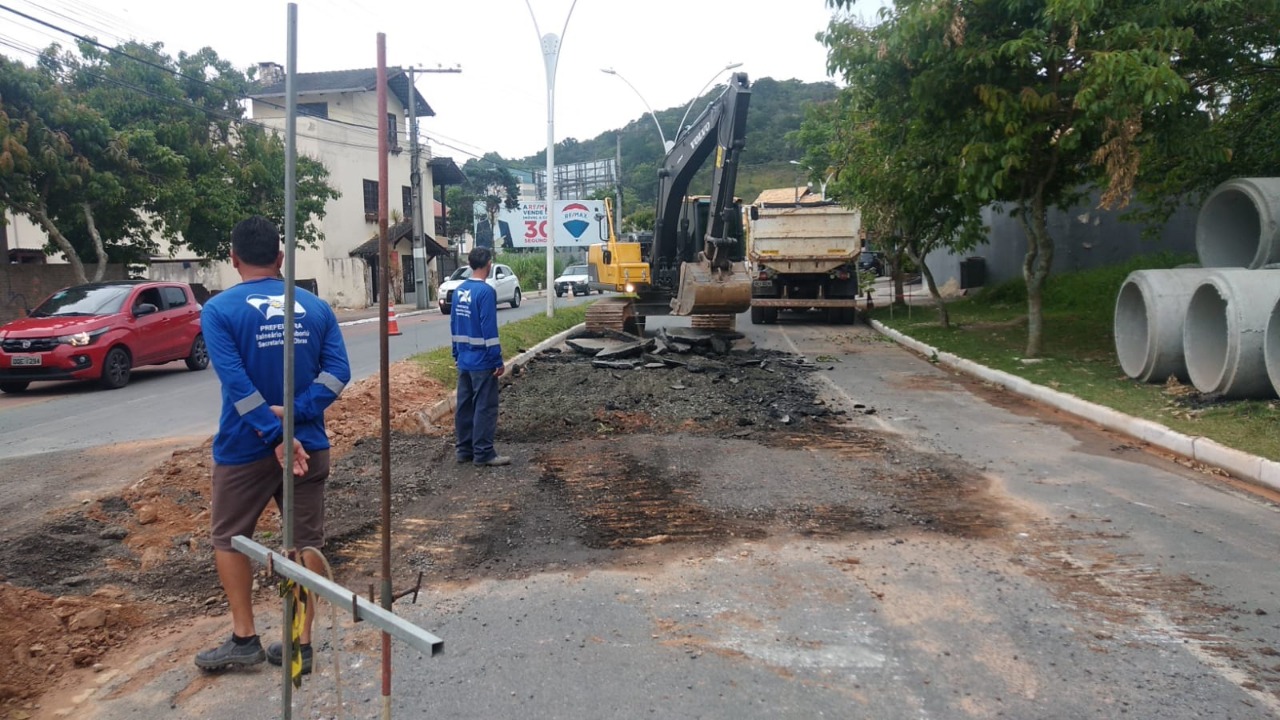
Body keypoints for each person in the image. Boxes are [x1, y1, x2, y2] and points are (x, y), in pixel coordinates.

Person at [194, 216, 351, 674]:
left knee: (229, 537)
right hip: (308, 442)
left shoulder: (219, 310)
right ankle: (299, 642)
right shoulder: (315, 307)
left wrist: (271, 431)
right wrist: (296, 415)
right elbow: (337, 374)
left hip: (245, 446)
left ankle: (245, 638)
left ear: (233, 258)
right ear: (281, 259)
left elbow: (237, 385)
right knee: (303, 543)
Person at [452, 246, 510, 467]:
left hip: (464, 360)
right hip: (482, 361)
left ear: (469, 264)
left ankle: (464, 450)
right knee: (484, 407)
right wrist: (497, 360)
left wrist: (456, 352)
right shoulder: (485, 292)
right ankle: (483, 453)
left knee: (464, 406)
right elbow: (489, 329)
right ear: (489, 265)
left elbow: (454, 323)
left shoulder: (459, 290)